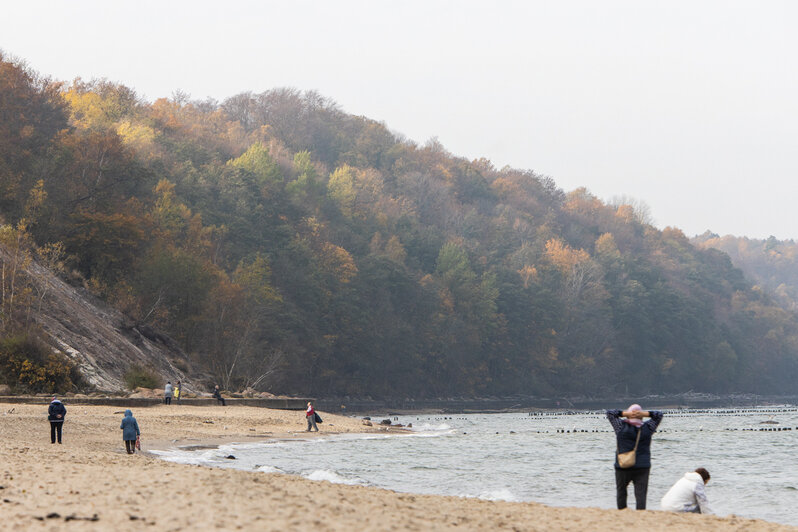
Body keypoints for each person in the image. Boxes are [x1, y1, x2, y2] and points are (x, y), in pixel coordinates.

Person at [606, 404, 664, 510]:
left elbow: (610, 413)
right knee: (641, 494)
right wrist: (645, 414)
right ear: (641, 416)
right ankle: (640, 514)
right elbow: (659, 415)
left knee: (621, 491)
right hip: (642, 466)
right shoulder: (648, 427)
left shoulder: (620, 426)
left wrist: (625, 413)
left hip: (622, 464)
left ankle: (622, 512)